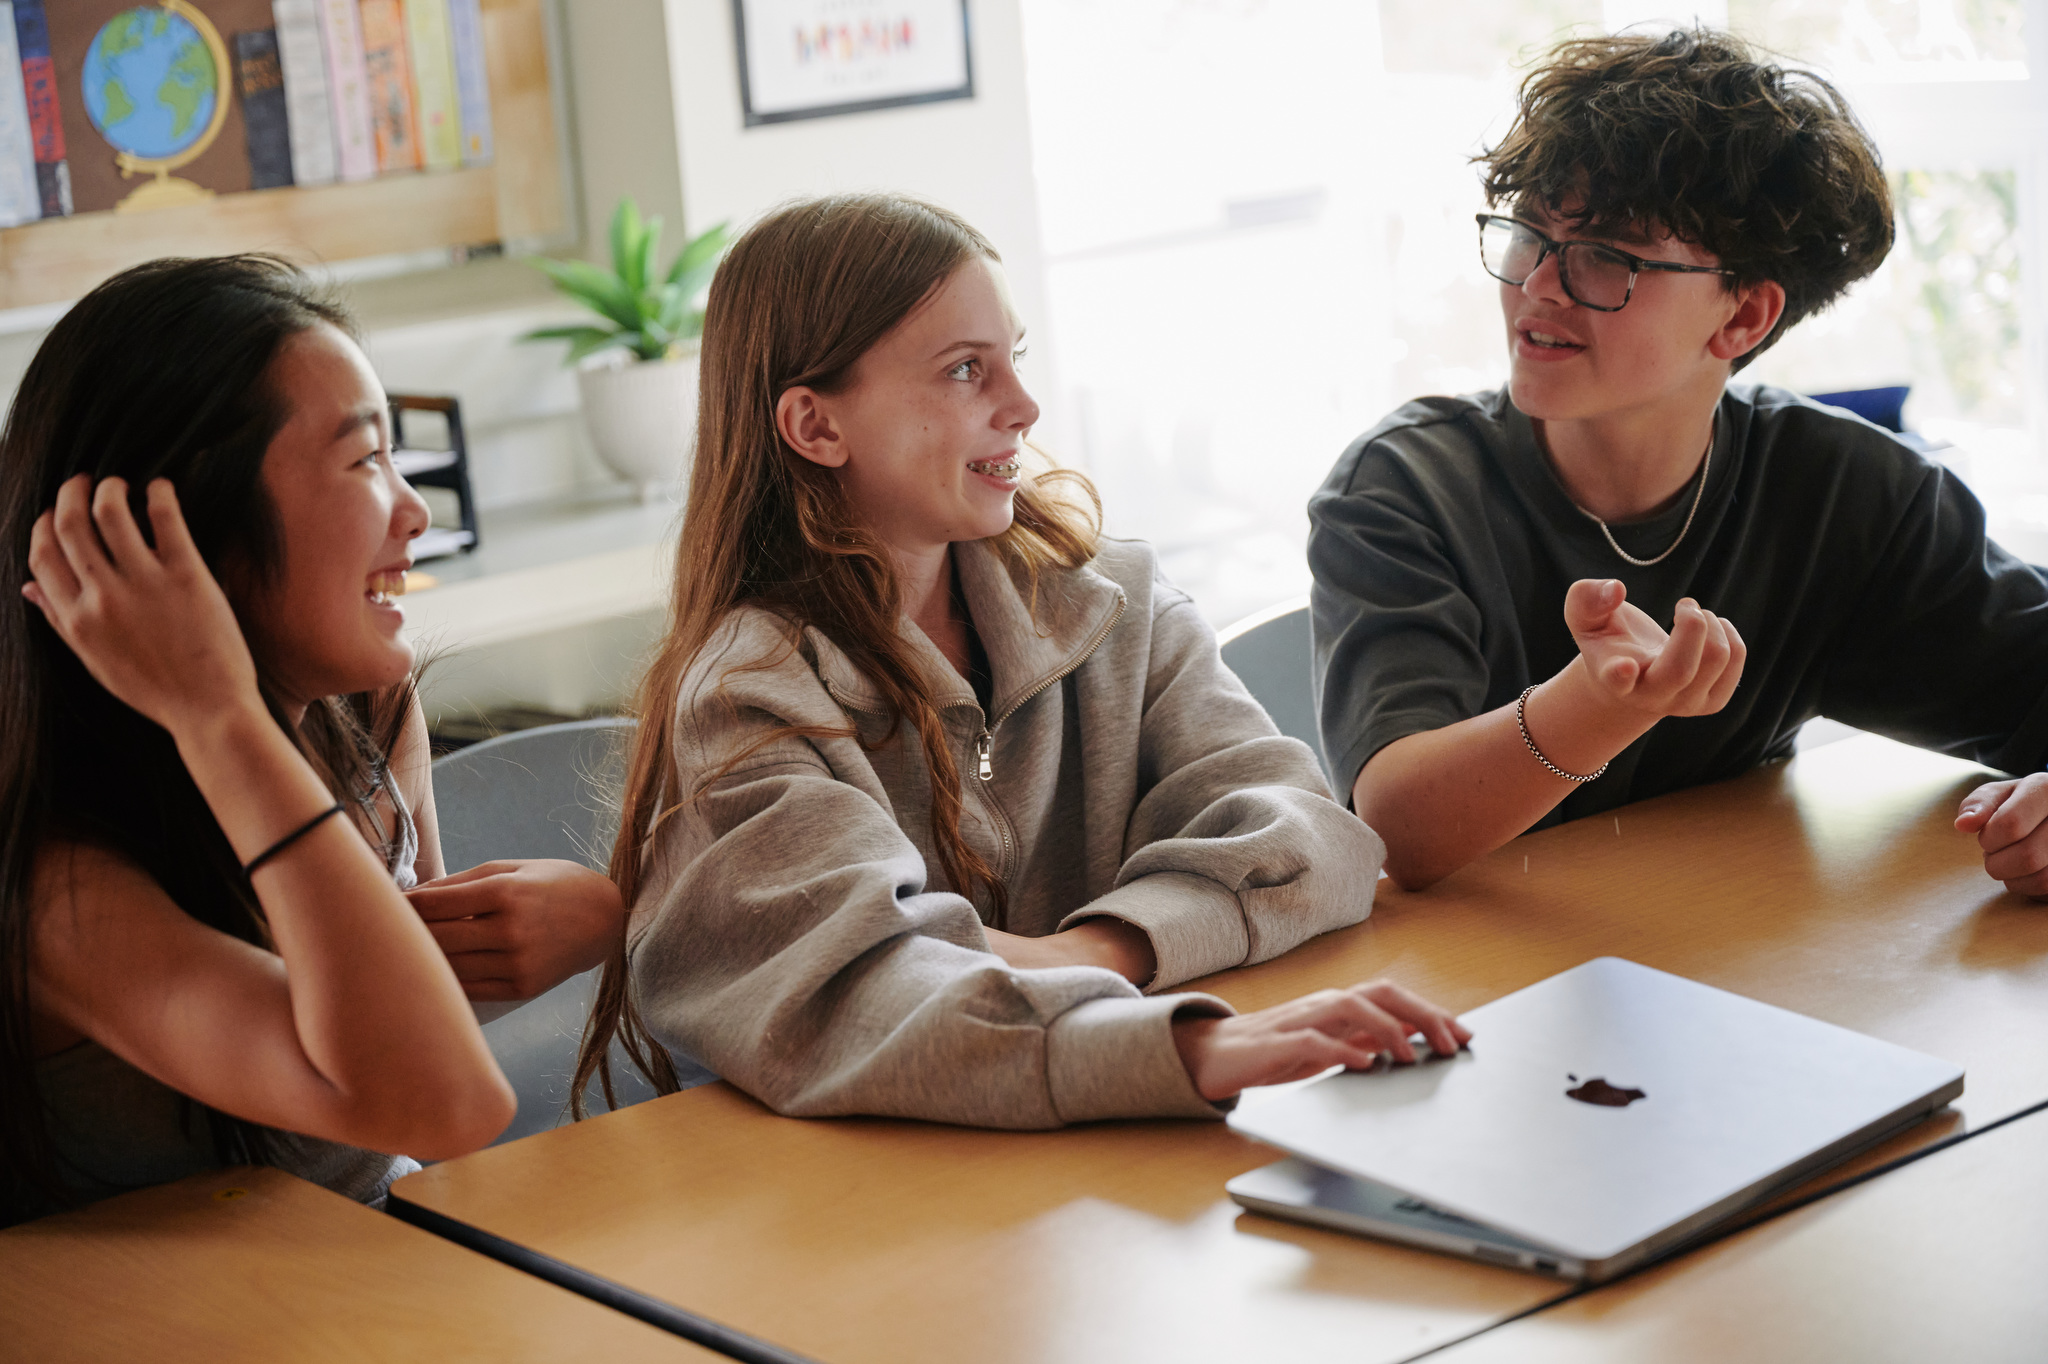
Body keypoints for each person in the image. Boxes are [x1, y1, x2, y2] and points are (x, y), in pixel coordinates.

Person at [575, 194, 1469, 1128]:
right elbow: (860, 999)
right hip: (879, 1198)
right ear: (816, 427)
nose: (1024, 406)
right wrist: (1187, 1045)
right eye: (966, 371)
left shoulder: (1109, 598)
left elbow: (1312, 840)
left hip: (1099, 1148)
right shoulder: (749, 698)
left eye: (1015, 358)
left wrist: (1098, 949)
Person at [1309, 28, 2048, 893]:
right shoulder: (1406, 489)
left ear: (1742, 320)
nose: (1538, 286)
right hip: (1464, 989)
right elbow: (1400, 831)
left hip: (1734, 960)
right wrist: (1601, 704)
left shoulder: (1842, 494)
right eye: (1528, 234)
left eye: (1605, 256)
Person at [2, 256, 624, 1225]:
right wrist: (217, 714)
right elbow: (440, 1098)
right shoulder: (63, 892)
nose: (414, 511)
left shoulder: (363, 716)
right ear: (188, 525)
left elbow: (390, 1025)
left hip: (383, 1264)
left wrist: (602, 918)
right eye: (363, 460)